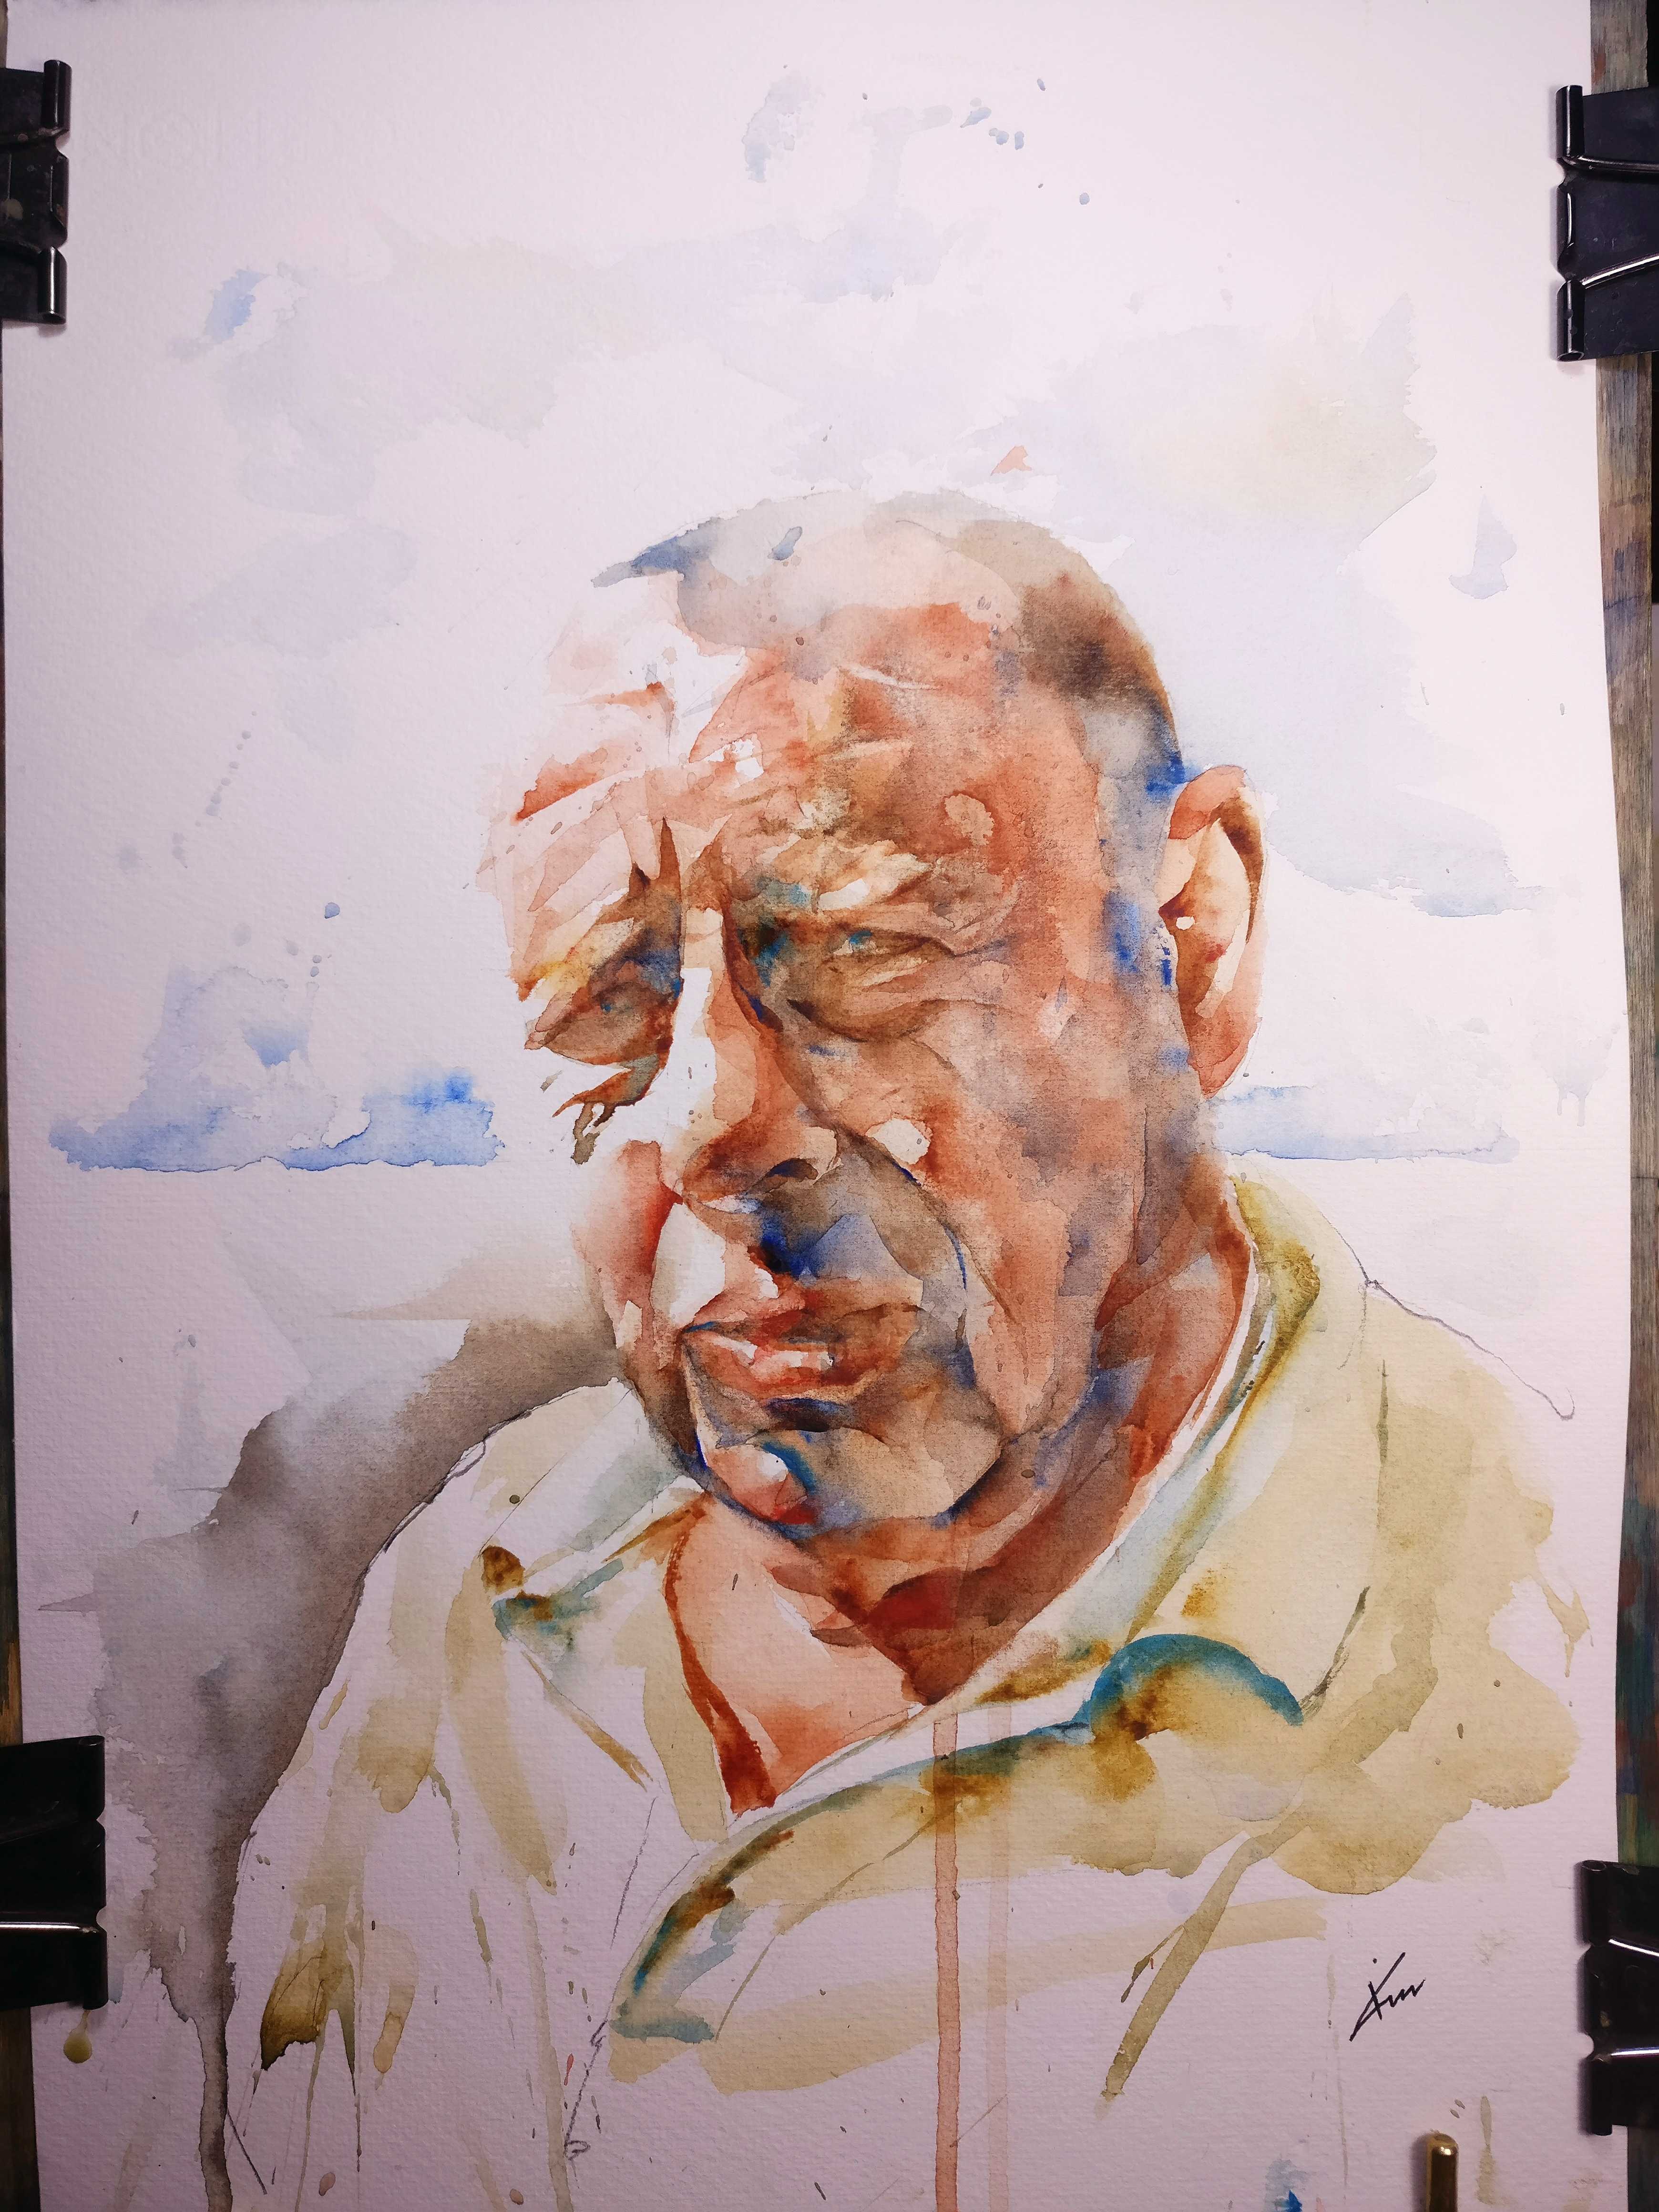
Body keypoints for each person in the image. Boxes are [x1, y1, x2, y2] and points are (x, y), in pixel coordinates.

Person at [225, 493, 1577, 2210]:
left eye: (861, 947)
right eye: (609, 1002)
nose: (710, 1124)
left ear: (1191, 941)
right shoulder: (486, 1589)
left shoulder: (1530, 1642)